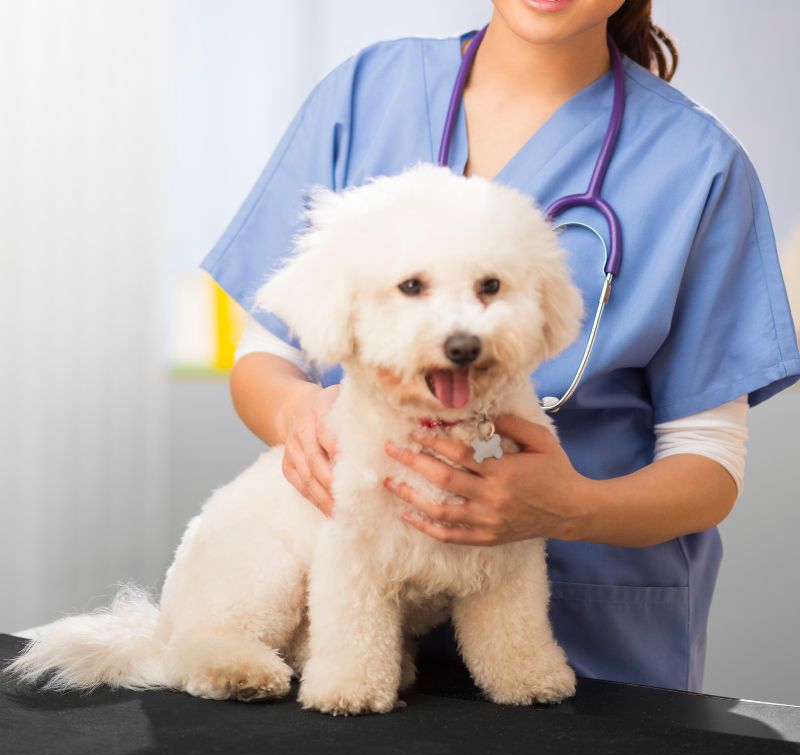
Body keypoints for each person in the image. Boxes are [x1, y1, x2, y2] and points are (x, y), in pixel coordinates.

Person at [201, 0, 800, 693]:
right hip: (356, 640)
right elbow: (267, 354)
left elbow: (709, 466)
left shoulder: (698, 164)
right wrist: (299, 415)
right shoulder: (367, 92)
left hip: (593, 644)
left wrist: (570, 506)